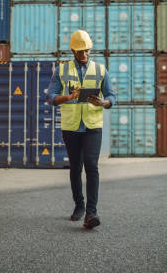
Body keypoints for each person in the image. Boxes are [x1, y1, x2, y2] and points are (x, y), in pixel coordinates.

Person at [46, 29, 116, 229]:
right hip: (71, 126)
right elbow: (50, 97)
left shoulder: (101, 70)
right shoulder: (61, 70)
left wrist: (103, 103)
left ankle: (91, 213)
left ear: (90, 49)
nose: (83, 55)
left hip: (93, 126)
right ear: (72, 50)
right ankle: (79, 206)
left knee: (91, 166)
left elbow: (112, 97)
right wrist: (68, 97)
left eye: (86, 51)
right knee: (76, 167)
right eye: (79, 52)